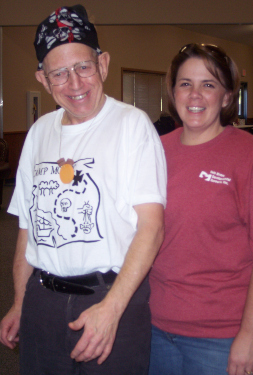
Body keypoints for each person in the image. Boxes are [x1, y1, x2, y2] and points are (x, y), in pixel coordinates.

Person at [0, 5, 166, 375]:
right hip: (42, 301)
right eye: (59, 73)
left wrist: (111, 309)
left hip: (112, 297)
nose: (75, 84)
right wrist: (19, 301)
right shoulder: (39, 133)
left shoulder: (132, 126)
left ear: (103, 64)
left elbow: (151, 228)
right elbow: (30, 230)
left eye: (84, 67)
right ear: (43, 79)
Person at [148, 43, 253, 375]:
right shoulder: (155, 151)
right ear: (173, 93)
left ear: (228, 96)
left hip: (227, 333)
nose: (195, 95)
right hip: (157, 326)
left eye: (209, 84)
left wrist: (250, 335)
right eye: (185, 84)